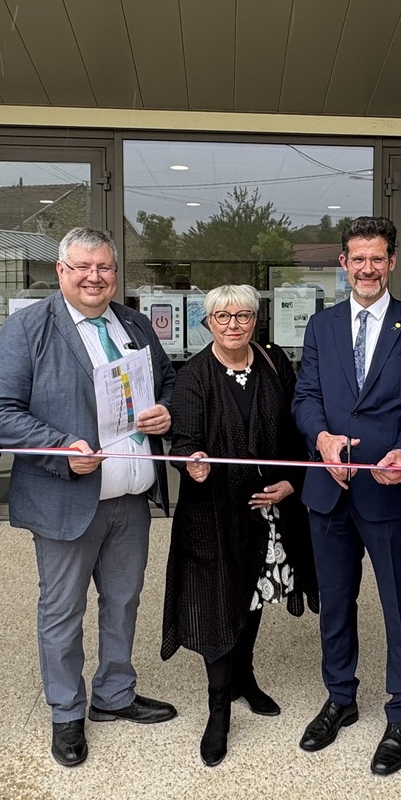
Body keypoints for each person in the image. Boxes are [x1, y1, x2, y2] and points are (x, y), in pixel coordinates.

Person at [0, 227, 178, 768]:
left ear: (116, 272)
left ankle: (114, 695)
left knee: (123, 601)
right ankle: (66, 712)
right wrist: (60, 447)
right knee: (62, 611)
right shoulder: (27, 327)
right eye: (83, 268)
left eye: (106, 268)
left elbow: (169, 383)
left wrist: (166, 410)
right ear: (62, 271)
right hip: (66, 498)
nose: (96, 278)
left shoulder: (133, 323)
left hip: (130, 498)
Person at [290, 216, 401, 776]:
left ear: (392, 262)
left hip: (390, 487)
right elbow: (305, 395)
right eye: (358, 258)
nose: (367, 268)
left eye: (378, 258)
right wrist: (322, 437)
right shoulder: (321, 326)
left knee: (400, 603)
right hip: (328, 489)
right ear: (343, 263)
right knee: (335, 600)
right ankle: (341, 696)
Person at [162, 285, 319, 767]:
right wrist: (194, 463)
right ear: (207, 322)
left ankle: (245, 677)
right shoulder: (192, 376)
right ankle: (217, 711)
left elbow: (296, 433)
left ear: (256, 320)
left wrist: (292, 482)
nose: (234, 324)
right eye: (223, 316)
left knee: (252, 594)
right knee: (217, 600)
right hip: (212, 516)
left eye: (244, 315)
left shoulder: (274, 364)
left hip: (269, 509)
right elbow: (184, 442)